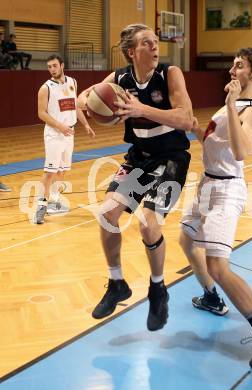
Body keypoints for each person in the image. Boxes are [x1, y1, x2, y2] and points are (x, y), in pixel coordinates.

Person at [78, 23, 193, 331]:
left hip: (171, 159)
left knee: (147, 223)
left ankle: (158, 290)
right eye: (147, 43)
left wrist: (142, 108)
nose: (155, 47)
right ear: (132, 52)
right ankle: (117, 283)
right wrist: (85, 104)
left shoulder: (169, 74)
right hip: (140, 160)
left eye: (155, 42)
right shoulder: (119, 79)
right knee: (105, 215)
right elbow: (84, 97)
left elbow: (187, 119)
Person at [179, 47, 252, 371]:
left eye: (239, 66)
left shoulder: (251, 110)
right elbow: (216, 144)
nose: (232, 70)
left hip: (226, 190)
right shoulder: (229, 109)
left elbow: (241, 152)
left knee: (218, 266)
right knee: (186, 241)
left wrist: (228, 103)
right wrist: (195, 129)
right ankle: (212, 297)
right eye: (233, 65)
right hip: (206, 185)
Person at [34, 54, 94, 224]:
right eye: (49, 67)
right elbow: (41, 113)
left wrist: (86, 125)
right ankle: (41, 206)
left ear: (62, 65)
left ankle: (54, 199)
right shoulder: (45, 88)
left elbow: (75, 105)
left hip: (69, 133)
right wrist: (60, 126)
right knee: (50, 171)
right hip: (54, 133)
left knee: (62, 170)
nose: (52, 69)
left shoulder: (72, 82)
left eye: (54, 66)